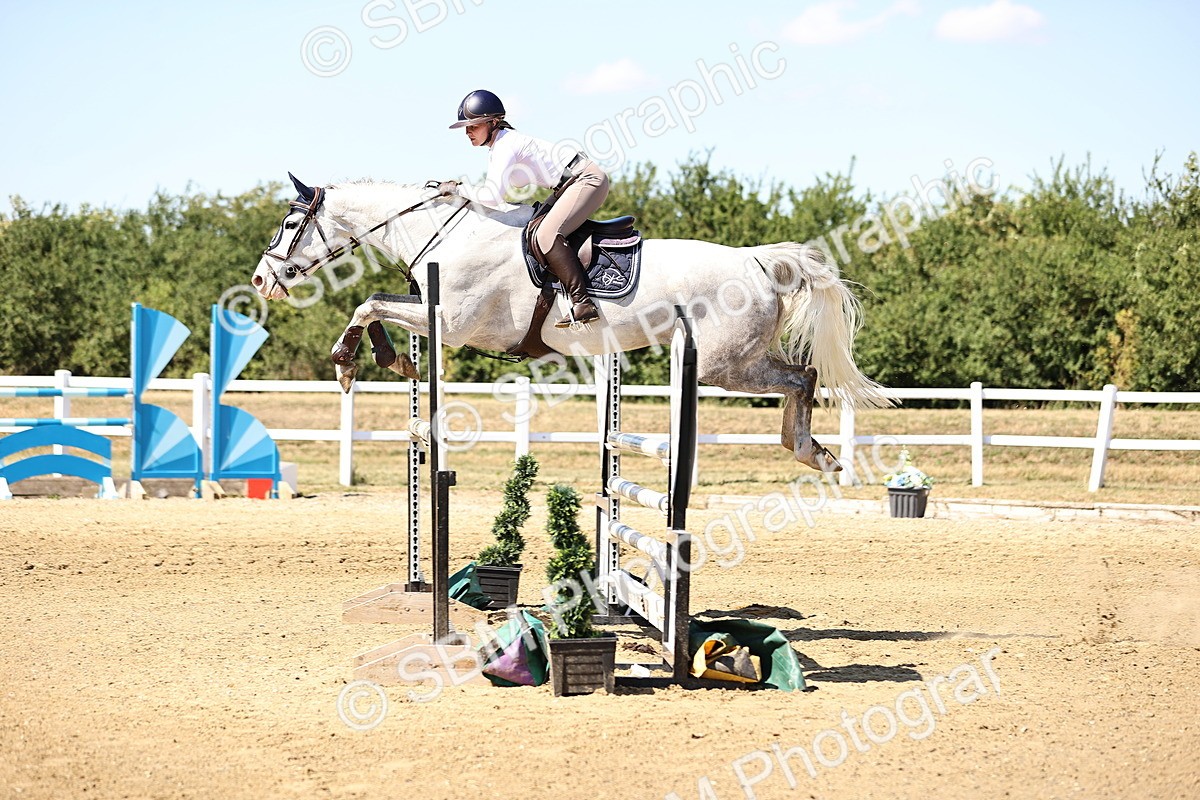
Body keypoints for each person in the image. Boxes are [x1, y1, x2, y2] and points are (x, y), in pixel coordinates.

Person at [439, 89, 606, 328]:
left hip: (586, 180)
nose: (468, 132)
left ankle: (582, 302)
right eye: (466, 128)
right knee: (532, 226)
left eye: (473, 126)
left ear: (493, 122)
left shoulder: (505, 146)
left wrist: (458, 189)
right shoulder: (500, 145)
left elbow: (492, 196)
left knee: (546, 234)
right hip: (568, 185)